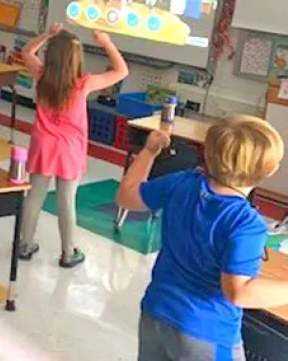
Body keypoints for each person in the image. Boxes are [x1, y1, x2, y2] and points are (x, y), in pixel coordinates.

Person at [117, 115, 287, 361]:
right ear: (270, 170)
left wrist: (149, 152)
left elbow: (126, 196)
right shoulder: (246, 223)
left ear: (206, 155)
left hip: (157, 312)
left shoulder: (184, 182)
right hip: (207, 333)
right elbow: (239, 292)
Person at [19, 25, 129, 267]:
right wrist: (106, 42)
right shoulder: (83, 83)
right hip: (69, 149)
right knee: (66, 201)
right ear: (76, 58)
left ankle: (24, 245)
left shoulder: (41, 74)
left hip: (43, 144)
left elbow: (26, 51)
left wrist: (46, 34)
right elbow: (122, 70)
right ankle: (69, 252)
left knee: (34, 197)